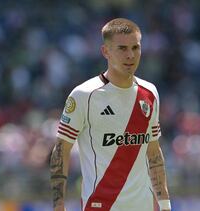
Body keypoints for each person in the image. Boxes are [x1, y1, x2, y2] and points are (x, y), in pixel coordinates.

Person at [50, 18, 171, 211]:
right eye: (122, 48)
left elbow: (154, 152)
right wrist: (58, 205)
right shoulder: (84, 95)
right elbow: (61, 151)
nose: (130, 55)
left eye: (135, 47)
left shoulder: (150, 93)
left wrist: (165, 204)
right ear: (105, 52)